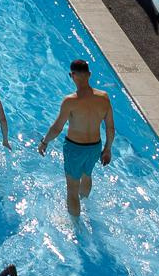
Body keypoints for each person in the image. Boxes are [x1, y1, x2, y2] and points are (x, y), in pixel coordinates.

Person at [38, 59, 115, 217]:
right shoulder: (104, 98)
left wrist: (44, 141)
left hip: (75, 148)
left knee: (72, 188)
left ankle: (76, 225)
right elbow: (110, 127)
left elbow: (57, 127)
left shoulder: (70, 101)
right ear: (89, 74)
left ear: (72, 75)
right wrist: (107, 149)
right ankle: (84, 203)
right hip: (95, 147)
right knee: (87, 175)